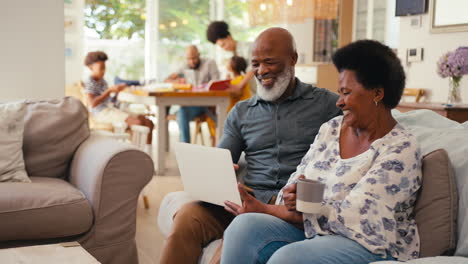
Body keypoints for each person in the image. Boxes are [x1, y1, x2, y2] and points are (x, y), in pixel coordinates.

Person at [221, 40, 422, 264]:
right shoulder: (332, 129)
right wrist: (290, 197)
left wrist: (272, 209)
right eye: (339, 93)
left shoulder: (400, 148)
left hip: (368, 243)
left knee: (288, 259)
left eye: (346, 93)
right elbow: (297, 179)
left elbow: (358, 217)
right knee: (242, 228)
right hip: (313, 230)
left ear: (377, 94)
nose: (339, 102)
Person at [159, 27, 342, 264]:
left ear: (293, 59)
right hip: (247, 198)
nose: (261, 71)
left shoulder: (327, 104)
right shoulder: (242, 112)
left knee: (242, 230)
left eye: (270, 62)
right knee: (187, 217)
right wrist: (217, 172)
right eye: (255, 64)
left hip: (289, 207)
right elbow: (222, 159)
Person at [83, 51, 154, 144]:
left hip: (111, 109)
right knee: (137, 122)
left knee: (148, 123)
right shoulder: (90, 82)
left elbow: (109, 101)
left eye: (104, 68)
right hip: (101, 113)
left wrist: (116, 92)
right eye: (101, 68)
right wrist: (109, 91)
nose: (103, 71)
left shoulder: (102, 81)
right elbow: (92, 103)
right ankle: (135, 153)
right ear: (91, 67)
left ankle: (147, 152)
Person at [165, 45, 220, 143]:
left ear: (199, 55)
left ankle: (186, 148)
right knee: (182, 111)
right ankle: (185, 148)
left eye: (194, 58)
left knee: (181, 112)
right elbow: (167, 80)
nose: (192, 61)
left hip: (208, 104)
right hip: (191, 105)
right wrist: (176, 81)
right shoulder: (184, 66)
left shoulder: (209, 63)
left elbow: (216, 83)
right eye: (189, 59)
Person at [207, 21, 256, 95]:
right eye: (221, 47)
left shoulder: (248, 47)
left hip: (255, 90)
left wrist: (239, 86)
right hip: (243, 93)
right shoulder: (229, 56)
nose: (224, 48)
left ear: (229, 37)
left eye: (224, 44)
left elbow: (253, 68)